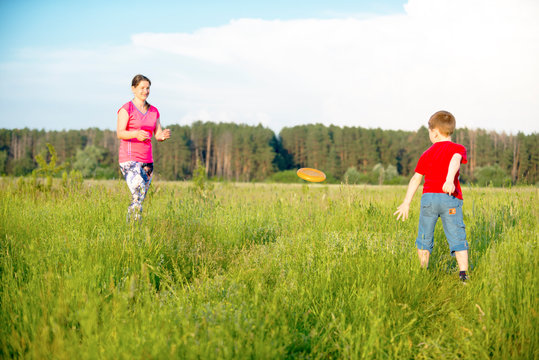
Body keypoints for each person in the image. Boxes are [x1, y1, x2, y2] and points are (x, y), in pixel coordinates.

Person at [394, 110, 469, 282]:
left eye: (429, 131)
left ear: (435, 132)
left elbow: (415, 179)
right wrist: (449, 181)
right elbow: (455, 160)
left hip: (428, 199)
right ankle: (463, 275)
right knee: (457, 235)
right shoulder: (459, 148)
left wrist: (406, 202)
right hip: (449, 198)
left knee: (424, 237)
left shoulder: (426, 153)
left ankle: (422, 273)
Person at [117, 74, 170, 221]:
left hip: (147, 160)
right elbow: (120, 133)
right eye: (142, 88)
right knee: (138, 189)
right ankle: (132, 226)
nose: (145, 91)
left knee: (139, 198)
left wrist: (162, 135)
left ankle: (133, 228)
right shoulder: (126, 109)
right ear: (133, 89)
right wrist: (135, 133)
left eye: (148, 88)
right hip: (129, 158)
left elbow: (157, 134)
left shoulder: (154, 111)